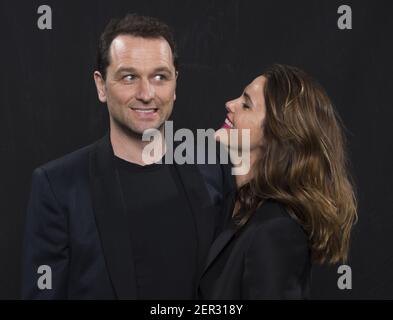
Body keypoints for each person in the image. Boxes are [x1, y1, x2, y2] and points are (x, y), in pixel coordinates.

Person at [21, 13, 233, 299]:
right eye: (129, 77)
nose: (146, 94)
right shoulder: (57, 186)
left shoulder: (212, 167)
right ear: (101, 85)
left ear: (175, 84)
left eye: (160, 77)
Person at [198, 64, 358, 299]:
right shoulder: (231, 205)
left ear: (276, 134)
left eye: (246, 105)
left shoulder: (276, 230)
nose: (229, 105)